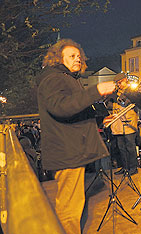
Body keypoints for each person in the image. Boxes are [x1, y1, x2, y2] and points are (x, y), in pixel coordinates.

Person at [36, 39, 115, 234]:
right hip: (67, 152)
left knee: (73, 204)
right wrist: (96, 90)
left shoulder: (66, 78)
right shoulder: (54, 78)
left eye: (79, 56)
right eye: (71, 56)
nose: (77, 59)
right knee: (69, 210)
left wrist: (97, 120)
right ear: (58, 59)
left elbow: (73, 109)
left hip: (71, 150)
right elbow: (61, 107)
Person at [105, 72, 139, 176]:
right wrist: (110, 99)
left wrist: (118, 98)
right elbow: (109, 105)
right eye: (118, 83)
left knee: (130, 147)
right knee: (121, 147)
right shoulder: (116, 93)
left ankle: (133, 167)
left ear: (125, 80)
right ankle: (125, 167)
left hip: (129, 123)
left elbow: (126, 103)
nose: (119, 85)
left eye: (120, 82)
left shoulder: (131, 91)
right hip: (118, 125)